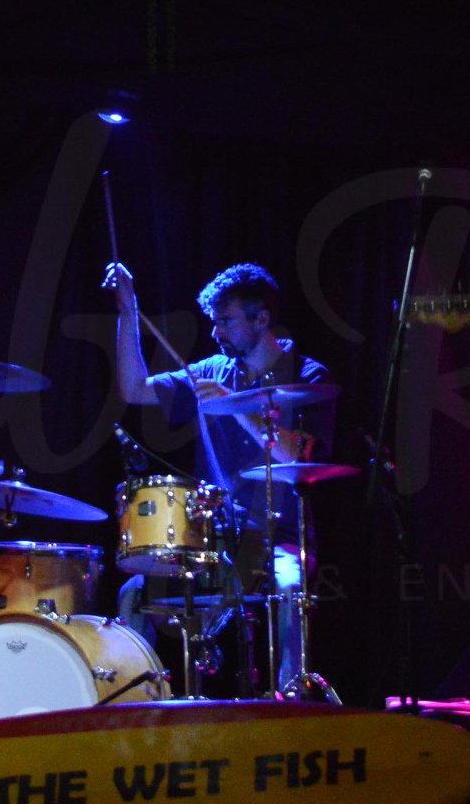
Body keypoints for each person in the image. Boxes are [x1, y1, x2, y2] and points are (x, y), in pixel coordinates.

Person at [104, 260, 336, 695]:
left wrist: (237, 406)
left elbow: (294, 453)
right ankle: (141, 703)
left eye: (225, 321)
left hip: (276, 539)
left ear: (261, 319)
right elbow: (133, 388)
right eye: (215, 322)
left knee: (290, 586)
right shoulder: (211, 371)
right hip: (213, 540)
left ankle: (291, 700)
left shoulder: (307, 375)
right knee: (133, 592)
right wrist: (128, 310)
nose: (216, 332)